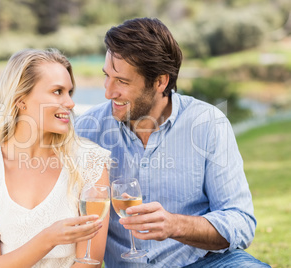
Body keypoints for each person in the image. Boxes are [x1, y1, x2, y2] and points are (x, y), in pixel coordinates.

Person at [75, 18, 270, 267]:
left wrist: (174, 225)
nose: (108, 91)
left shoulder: (207, 123)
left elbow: (241, 223)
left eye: (122, 81)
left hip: (203, 262)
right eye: (107, 76)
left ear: (160, 82)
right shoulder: (88, 129)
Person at [0, 49, 111, 268]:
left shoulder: (90, 163)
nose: (70, 103)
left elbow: (89, 262)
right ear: (21, 100)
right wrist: (48, 239)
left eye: (69, 92)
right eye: (57, 92)